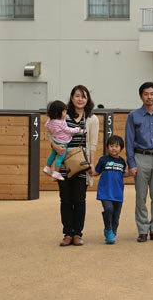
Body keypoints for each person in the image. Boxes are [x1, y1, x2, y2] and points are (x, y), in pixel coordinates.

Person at [50, 85, 99, 247]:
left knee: (79, 200)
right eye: (77, 96)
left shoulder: (92, 118)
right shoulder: (62, 116)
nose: (80, 99)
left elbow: (92, 144)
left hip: (81, 164)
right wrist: (55, 146)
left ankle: (77, 233)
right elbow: (52, 135)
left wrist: (92, 164)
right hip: (63, 163)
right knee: (65, 200)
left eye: (84, 96)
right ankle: (67, 234)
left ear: (87, 100)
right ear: (71, 98)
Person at [125, 82, 153, 243]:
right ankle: (143, 230)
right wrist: (131, 163)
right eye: (146, 94)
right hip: (140, 157)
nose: (149, 97)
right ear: (141, 96)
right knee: (141, 196)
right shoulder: (133, 116)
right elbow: (129, 140)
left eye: (152, 94)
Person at [93, 135, 127, 244]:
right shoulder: (103, 160)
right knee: (108, 209)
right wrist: (89, 169)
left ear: (121, 149)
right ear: (107, 147)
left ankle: (113, 233)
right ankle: (108, 230)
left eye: (116, 146)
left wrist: (131, 173)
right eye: (111, 146)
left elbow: (122, 174)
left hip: (118, 193)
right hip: (105, 192)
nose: (113, 148)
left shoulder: (122, 162)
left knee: (116, 215)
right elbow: (96, 172)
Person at [43, 100, 82, 181]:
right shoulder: (61, 123)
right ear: (58, 113)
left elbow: (46, 126)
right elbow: (68, 130)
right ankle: (56, 173)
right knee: (60, 158)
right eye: (64, 112)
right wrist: (77, 129)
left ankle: (47, 167)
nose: (65, 113)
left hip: (55, 141)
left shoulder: (50, 121)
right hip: (63, 143)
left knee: (53, 155)